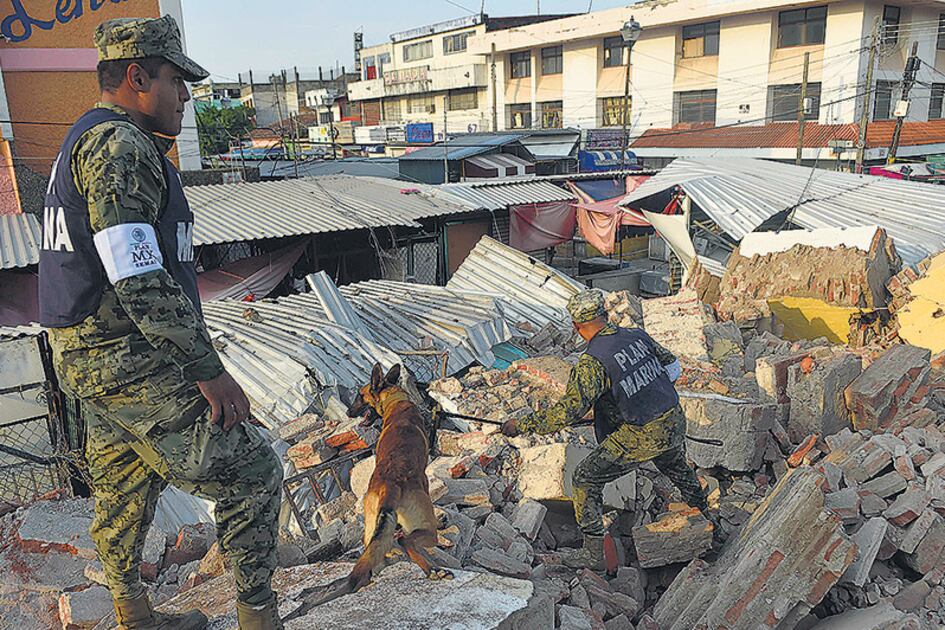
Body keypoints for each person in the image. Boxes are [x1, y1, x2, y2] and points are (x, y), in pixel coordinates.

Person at [38, 16, 283, 630]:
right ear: (136, 75)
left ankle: (135, 615)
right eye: (177, 81)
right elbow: (139, 277)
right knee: (252, 468)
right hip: (128, 357)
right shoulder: (120, 148)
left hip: (91, 358)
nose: (185, 97)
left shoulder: (86, 141)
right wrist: (209, 371)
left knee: (123, 487)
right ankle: (259, 617)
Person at [501, 289, 717, 570]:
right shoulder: (635, 336)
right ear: (605, 315)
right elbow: (672, 366)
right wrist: (642, 396)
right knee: (677, 468)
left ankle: (592, 552)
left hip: (642, 433)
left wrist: (522, 425)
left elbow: (566, 413)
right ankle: (708, 520)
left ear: (577, 327)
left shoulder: (592, 361)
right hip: (671, 418)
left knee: (584, 478)